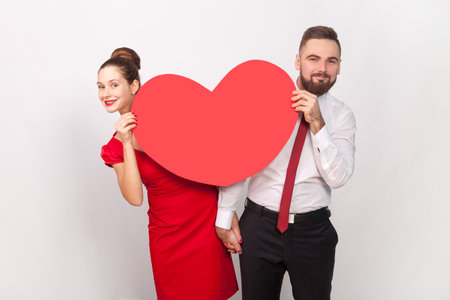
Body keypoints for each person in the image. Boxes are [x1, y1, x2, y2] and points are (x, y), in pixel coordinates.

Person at [215, 26, 356, 300]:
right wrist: (224, 216)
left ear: (339, 67)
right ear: (297, 61)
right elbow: (239, 160)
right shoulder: (264, 100)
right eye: (313, 58)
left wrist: (317, 123)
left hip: (313, 233)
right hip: (258, 226)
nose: (322, 68)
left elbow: (338, 178)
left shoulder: (341, 116)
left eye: (331, 61)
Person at [97, 47, 238, 300]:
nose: (105, 93)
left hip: (205, 226)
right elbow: (135, 197)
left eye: (113, 85)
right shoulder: (114, 147)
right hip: (168, 238)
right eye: (100, 87)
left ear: (134, 86)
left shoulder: (170, 113)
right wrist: (127, 142)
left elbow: (212, 162)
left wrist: (229, 215)